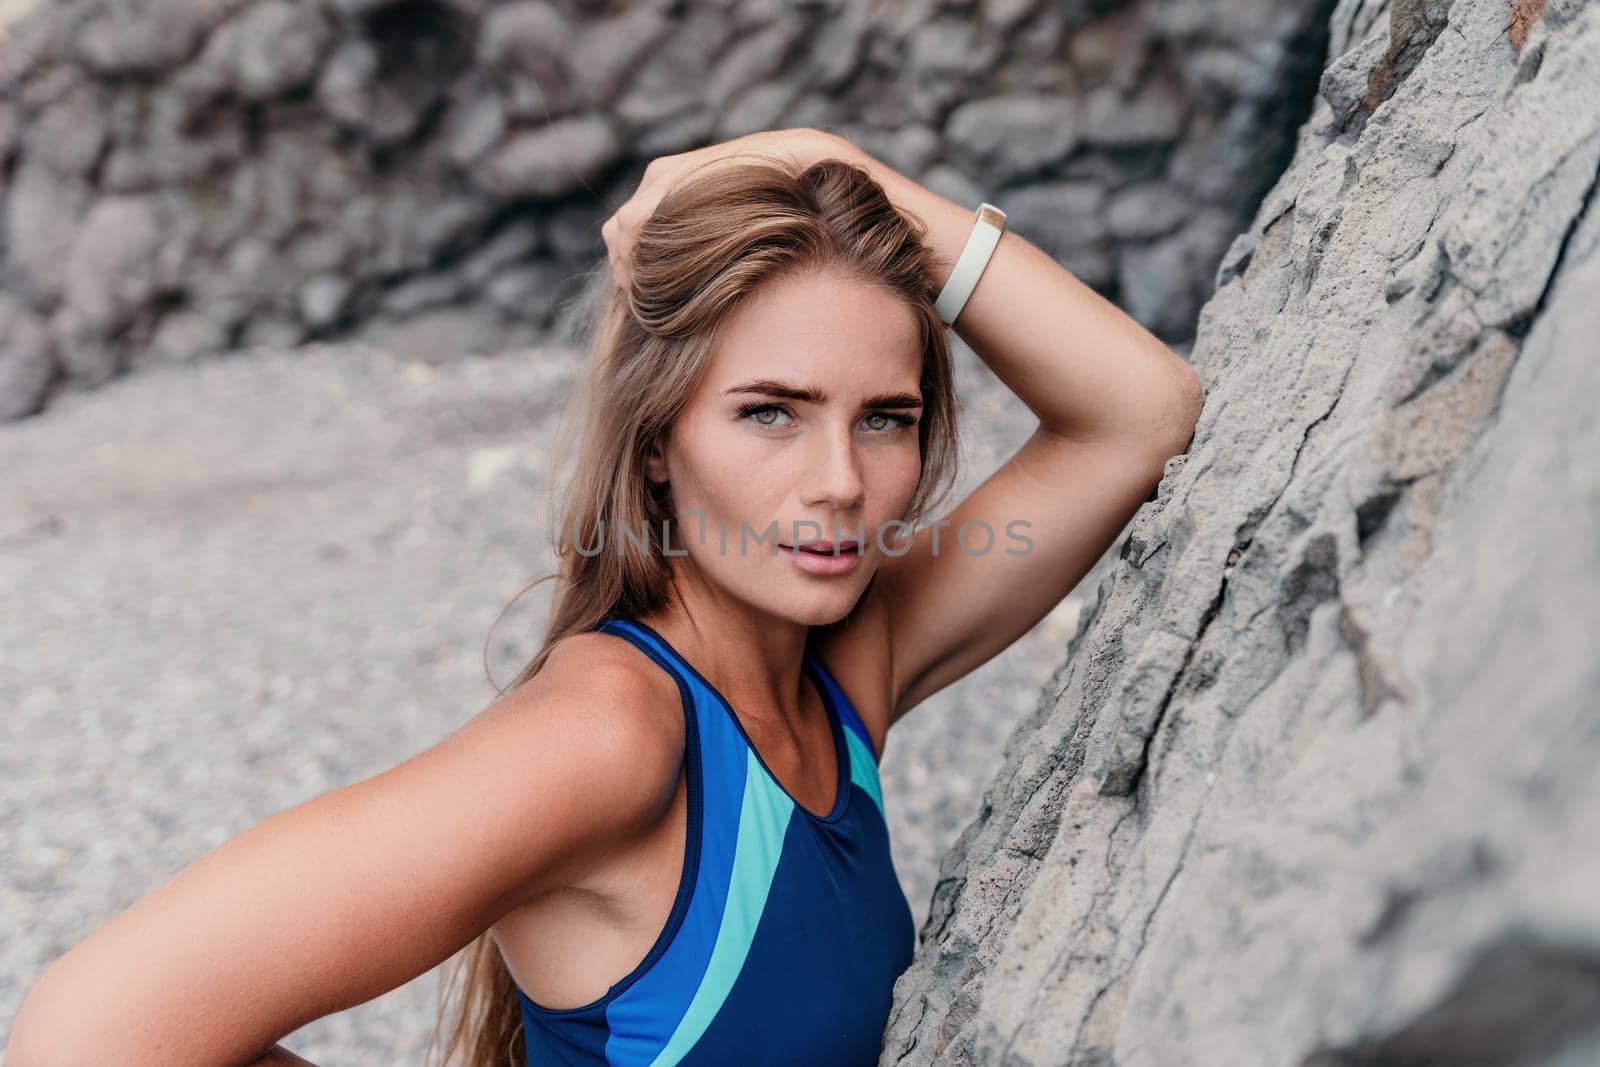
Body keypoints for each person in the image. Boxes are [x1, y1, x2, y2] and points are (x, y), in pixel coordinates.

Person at [6, 127, 1202, 1066]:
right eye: (769, 411)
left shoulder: (842, 662)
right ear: (653, 446)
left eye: (884, 418)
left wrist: (826, 162)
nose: (841, 482)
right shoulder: (611, 734)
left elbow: (1138, 411)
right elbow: (85, 1035)